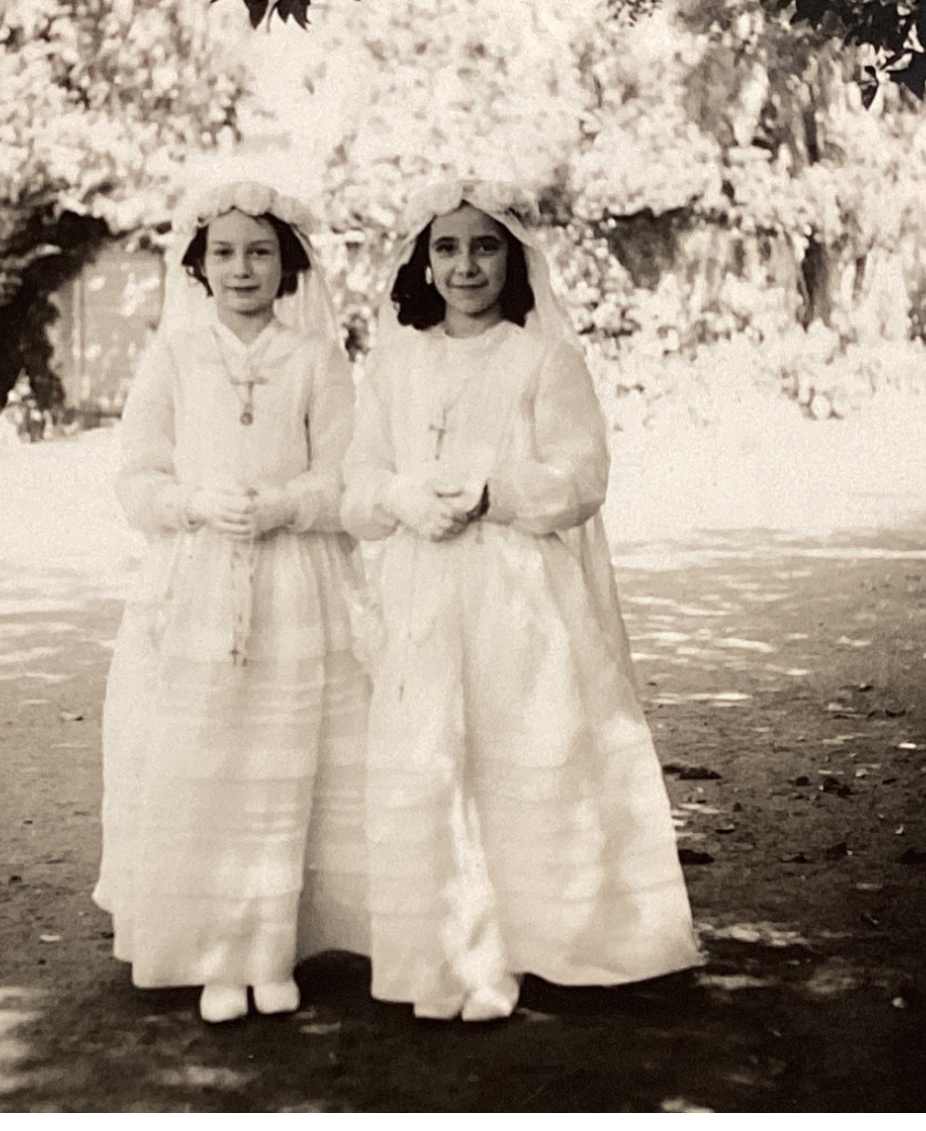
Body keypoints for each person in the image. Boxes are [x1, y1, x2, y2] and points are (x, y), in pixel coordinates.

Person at [341, 180, 702, 1022]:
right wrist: (400, 496)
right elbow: (354, 486)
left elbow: (583, 478)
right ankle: (452, 954)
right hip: (423, 592)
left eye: (485, 246)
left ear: (513, 257)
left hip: (518, 596)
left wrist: (492, 490)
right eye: (448, 248)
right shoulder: (395, 360)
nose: (466, 265)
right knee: (435, 760)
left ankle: (538, 941)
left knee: (518, 752)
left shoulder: (541, 357)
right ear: (424, 263)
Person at [93, 182, 370, 1024]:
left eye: (260, 251)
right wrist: (193, 505)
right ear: (199, 266)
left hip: (293, 579)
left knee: (282, 758)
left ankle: (270, 945)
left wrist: (290, 505)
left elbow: (349, 477)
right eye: (224, 252)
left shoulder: (317, 357)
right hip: (199, 580)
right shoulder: (174, 357)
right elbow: (137, 477)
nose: (242, 268)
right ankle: (214, 949)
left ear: (286, 264)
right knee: (205, 758)